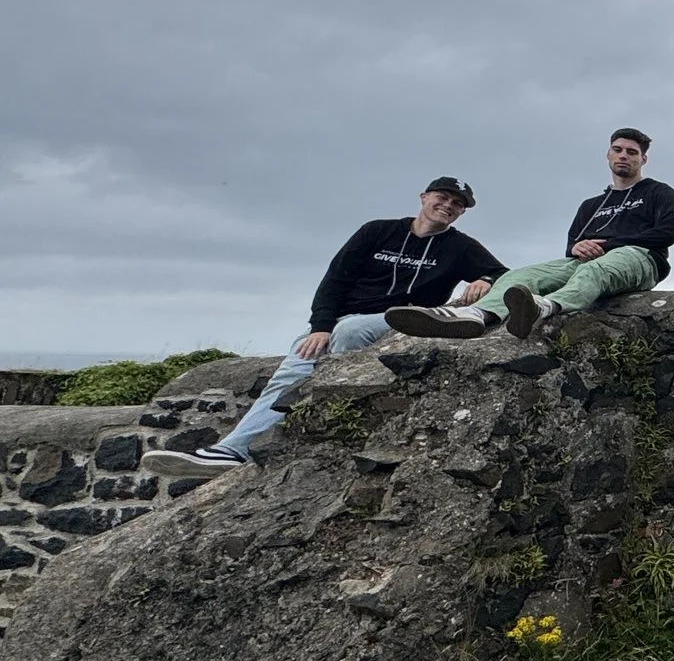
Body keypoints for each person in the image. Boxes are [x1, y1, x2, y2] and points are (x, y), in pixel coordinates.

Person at [139, 178, 503, 477]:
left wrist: (485, 278)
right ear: (424, 197)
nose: (449, 206)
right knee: (297, 360)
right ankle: (232, 449)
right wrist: (319, 326)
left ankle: (335, 399)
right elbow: (335, 281)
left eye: (458, 204)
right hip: (344, 320)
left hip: (400, 321)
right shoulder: (377, 232)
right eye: (444, 197)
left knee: (350, 333)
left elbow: (504, 274)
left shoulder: (460, 247)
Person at [389, 130, 674, 340]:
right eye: (618, 149)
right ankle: (476, 316)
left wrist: (610, 245)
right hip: (581, 261)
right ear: (608, 154)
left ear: (643, 159)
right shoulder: (591, 205)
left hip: (640, 259)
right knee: (519, 276)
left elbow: (666, 234)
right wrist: (578, 247)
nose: (624, 156)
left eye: (632, 152)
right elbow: (571, 246)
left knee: (594, 271)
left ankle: (543, 307)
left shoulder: (658, 192)